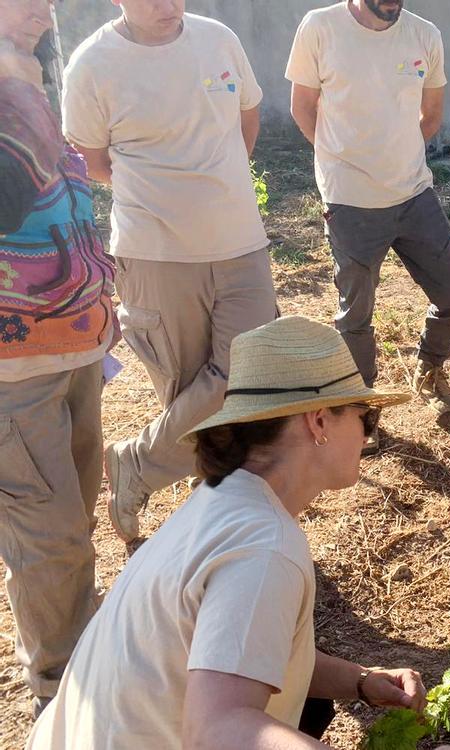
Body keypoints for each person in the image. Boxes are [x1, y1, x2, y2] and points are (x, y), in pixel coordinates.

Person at [24, 315, 450, 750]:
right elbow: (220, 729)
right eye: (365, 416)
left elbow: (236, 652)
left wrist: (360, 681)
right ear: (320, 419)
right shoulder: (264, 549)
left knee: (312, 707)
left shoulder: (219, 503)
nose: (369, 434)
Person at [62, 0, 278, 544]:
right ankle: (226, 526)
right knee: (188, 394)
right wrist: (163, 192)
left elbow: (246, 120)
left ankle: (138, 462)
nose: (168, 6)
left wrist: (214, 185)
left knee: (250, 378)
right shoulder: (92, 64)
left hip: (240, 242)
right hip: (157, 254)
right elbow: (90, 160)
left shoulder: (218, 39)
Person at [0, 0, 116, 718]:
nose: (41, 13)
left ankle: (82, 658)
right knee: (50, 537)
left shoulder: (30, 81)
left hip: (73, 345)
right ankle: (60, 695)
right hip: (14, 368)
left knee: (72, 527)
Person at [286, 0, 450, 423]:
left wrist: (397, 157)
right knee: (356, 315)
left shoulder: (425, 35)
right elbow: (303, 107)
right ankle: (361, 406)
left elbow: (432, 115)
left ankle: (429, 368)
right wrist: (341, 164)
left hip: (413, 193)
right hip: (350, 201)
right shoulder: (319, 27)